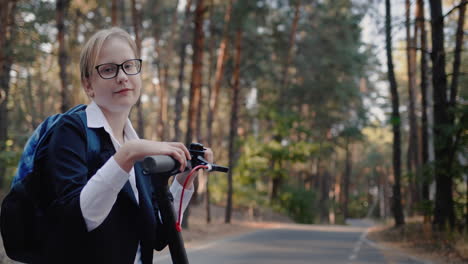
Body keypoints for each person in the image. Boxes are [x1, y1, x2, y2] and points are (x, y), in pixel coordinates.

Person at [35, 27, 213, 264]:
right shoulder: (71, 131)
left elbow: (158, 236)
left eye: (129, 66)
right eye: (109, 69)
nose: (122, 76)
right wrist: (128, 155)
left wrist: (184, 180)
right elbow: (74, 221)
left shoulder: (135, 143)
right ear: (88, 85)